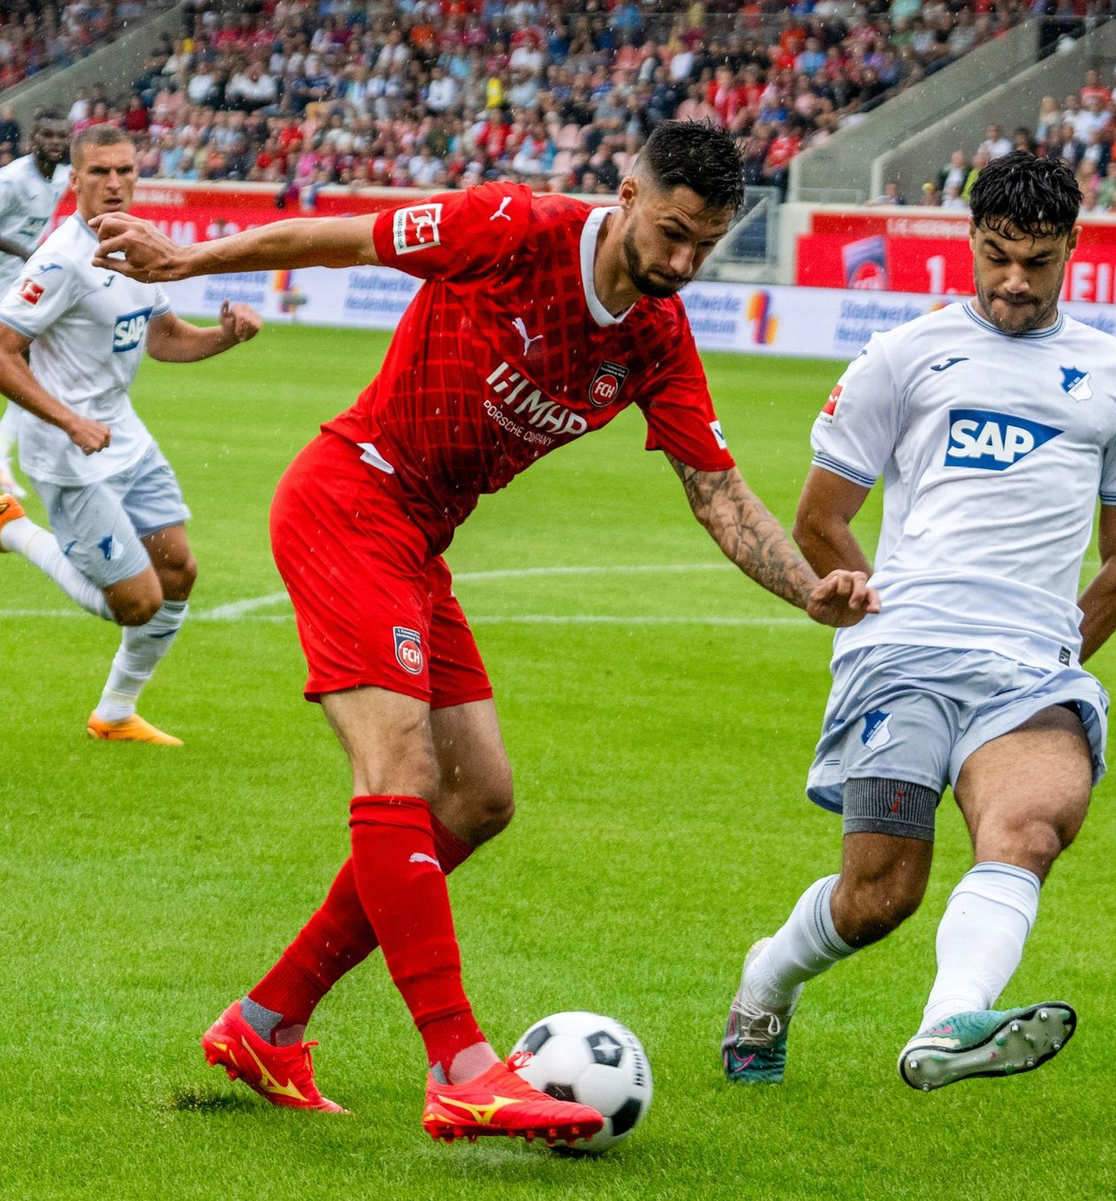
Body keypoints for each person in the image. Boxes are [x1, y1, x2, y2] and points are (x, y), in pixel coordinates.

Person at [89, 121, 878, 1141]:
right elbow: (348, 238)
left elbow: (718, 493)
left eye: (707, 243)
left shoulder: (655, 337)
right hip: (350, 498)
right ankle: (460, 1064)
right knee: (402, 769)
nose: (684, 262)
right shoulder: (511, 227)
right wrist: (190, 259)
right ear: (627, 192)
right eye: (673, 232)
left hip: (419, 542)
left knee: (479, 797)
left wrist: (810, 590)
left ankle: (265, 1022)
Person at [720, 151, 1116, 1092]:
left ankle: (950, 1019)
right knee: (881, 894)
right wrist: (873, 612)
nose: (1014, 281)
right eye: (998, 256)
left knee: (1031, 829)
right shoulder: (903, 355)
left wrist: (1054, 653)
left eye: (1037, 261)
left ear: (1072, 247)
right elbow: (820, 517)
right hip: (905, 656)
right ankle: (768, 977)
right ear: (971, 241)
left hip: (1030, 672)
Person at [0, 125, 261, 744]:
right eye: (99, 172)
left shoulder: (138, 246)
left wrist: (227, 336)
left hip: (127, 438)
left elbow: (164, 339)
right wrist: (68, 420)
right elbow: (3, 351)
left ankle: (116, 713)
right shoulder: (60, 261)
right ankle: (13, 528)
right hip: (69, 453)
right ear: (75, 180)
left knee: (179, 572)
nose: (114, 183)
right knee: (138, 604)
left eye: (125, 170)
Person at [0, 108, 72, 498]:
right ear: (33, 139)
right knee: (21, 373)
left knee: (28, 374)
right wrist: (27, 252)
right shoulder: (12, 180)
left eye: (61, 136)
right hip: (5, 282)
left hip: (20, 285)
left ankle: (2, 458)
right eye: (47, 135)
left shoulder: (62, 176)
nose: (55, 142)